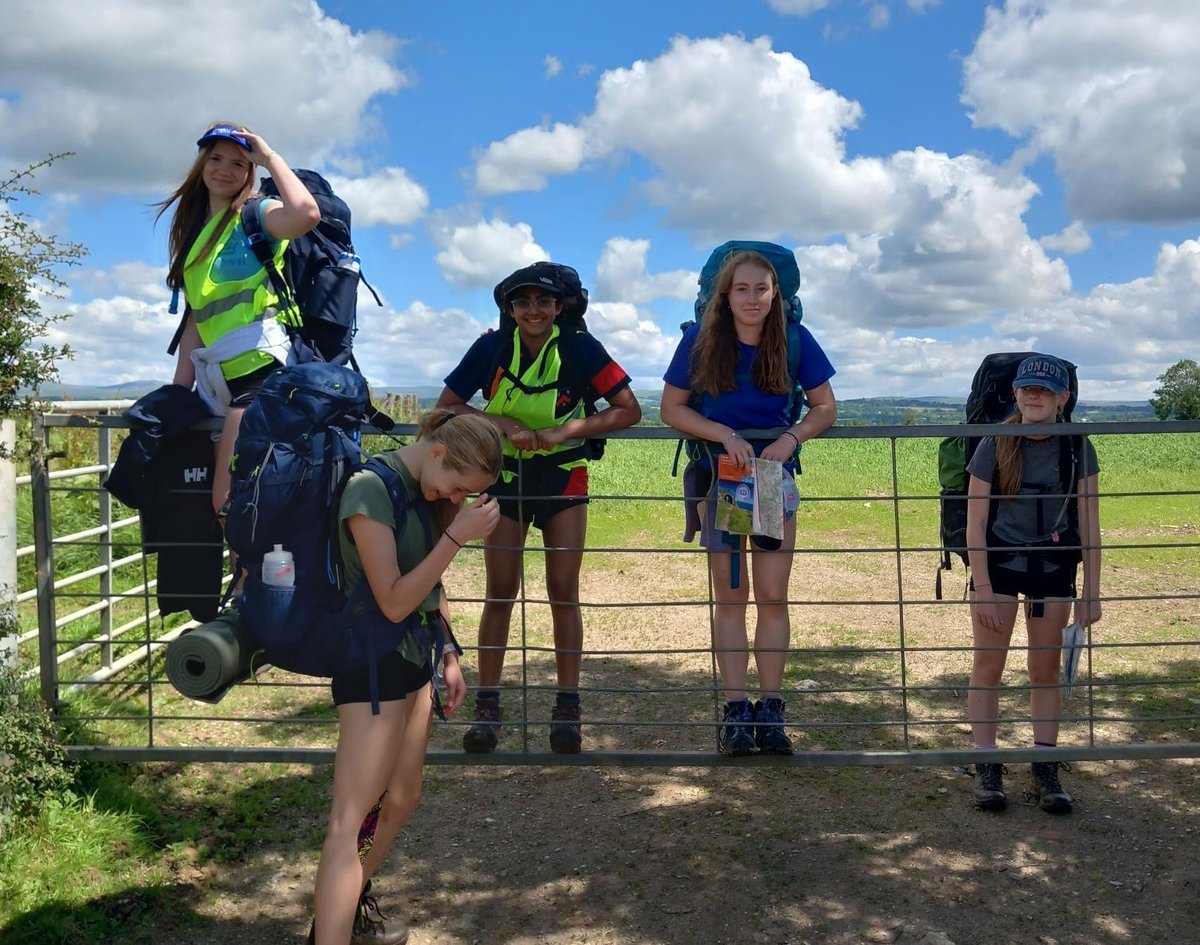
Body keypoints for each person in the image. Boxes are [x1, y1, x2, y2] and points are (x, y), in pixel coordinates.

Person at [309, 409, 502, 945]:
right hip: (370, 667)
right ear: (438, 451)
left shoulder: (425, 489)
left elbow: (426, 589)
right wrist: (457, 538)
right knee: (350, 822)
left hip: (410, 661)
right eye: (458, 485)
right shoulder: (370, 490)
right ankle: (331, 930)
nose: (455, 498)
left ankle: (340, 908)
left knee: (401, 797)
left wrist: (448, 652)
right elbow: (393, 600)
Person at [435, 262, 641, 754]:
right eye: (523, 302)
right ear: (509, 308)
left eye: (543, 302)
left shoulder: (581, 347)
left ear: (560, 307)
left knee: (563, 593)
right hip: (501, 479)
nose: (533, 310)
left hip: (565, 477)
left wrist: (565, 432)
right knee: (500, 591)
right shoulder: (490, 348)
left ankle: (567, 709)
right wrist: (500, 422)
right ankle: (488, 707)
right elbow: (448, 404)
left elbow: (627, 409)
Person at [660, 249, 836, 756]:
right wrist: (722, 433)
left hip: (772, 480)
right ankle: (736, 711)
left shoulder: (796, 341)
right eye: (742, 289)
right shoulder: (700, 340)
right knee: (732, 596)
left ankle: (772, 710)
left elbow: (825, 406)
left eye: (762, 288)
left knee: (774, 595)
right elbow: (672, 407)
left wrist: (793, 438)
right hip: (723, 478)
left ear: (776, 293)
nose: (753, 298)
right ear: (725, 294)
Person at [155, 122, 320, 517]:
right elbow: (196, 318)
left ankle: (253, 580)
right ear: (201, 164)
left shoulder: (257, 214)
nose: (224, 169)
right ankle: (246, 579)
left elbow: (306, 214)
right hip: (217, 382)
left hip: (259, 371)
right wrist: (179, 393)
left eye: (238, 163)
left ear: (250, 173)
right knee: (234, 503)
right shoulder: (195, 235)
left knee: (228, 501)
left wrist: (268, 158)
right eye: (215, 158)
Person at [966, 354, 1101, 815]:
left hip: (1053, 565)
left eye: (1044, 391)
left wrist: (1092, 592)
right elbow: (976, 520)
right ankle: (987, 763)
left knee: (1043, 670)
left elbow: (1091, 524)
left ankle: (1045, 763)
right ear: (1014, 394)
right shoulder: (994, 443)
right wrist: (982, 586)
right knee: (989, 666)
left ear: (1063, 398)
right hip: (1000, 563)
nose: (1034, 398)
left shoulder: (1078, 447)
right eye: (1027, 390)